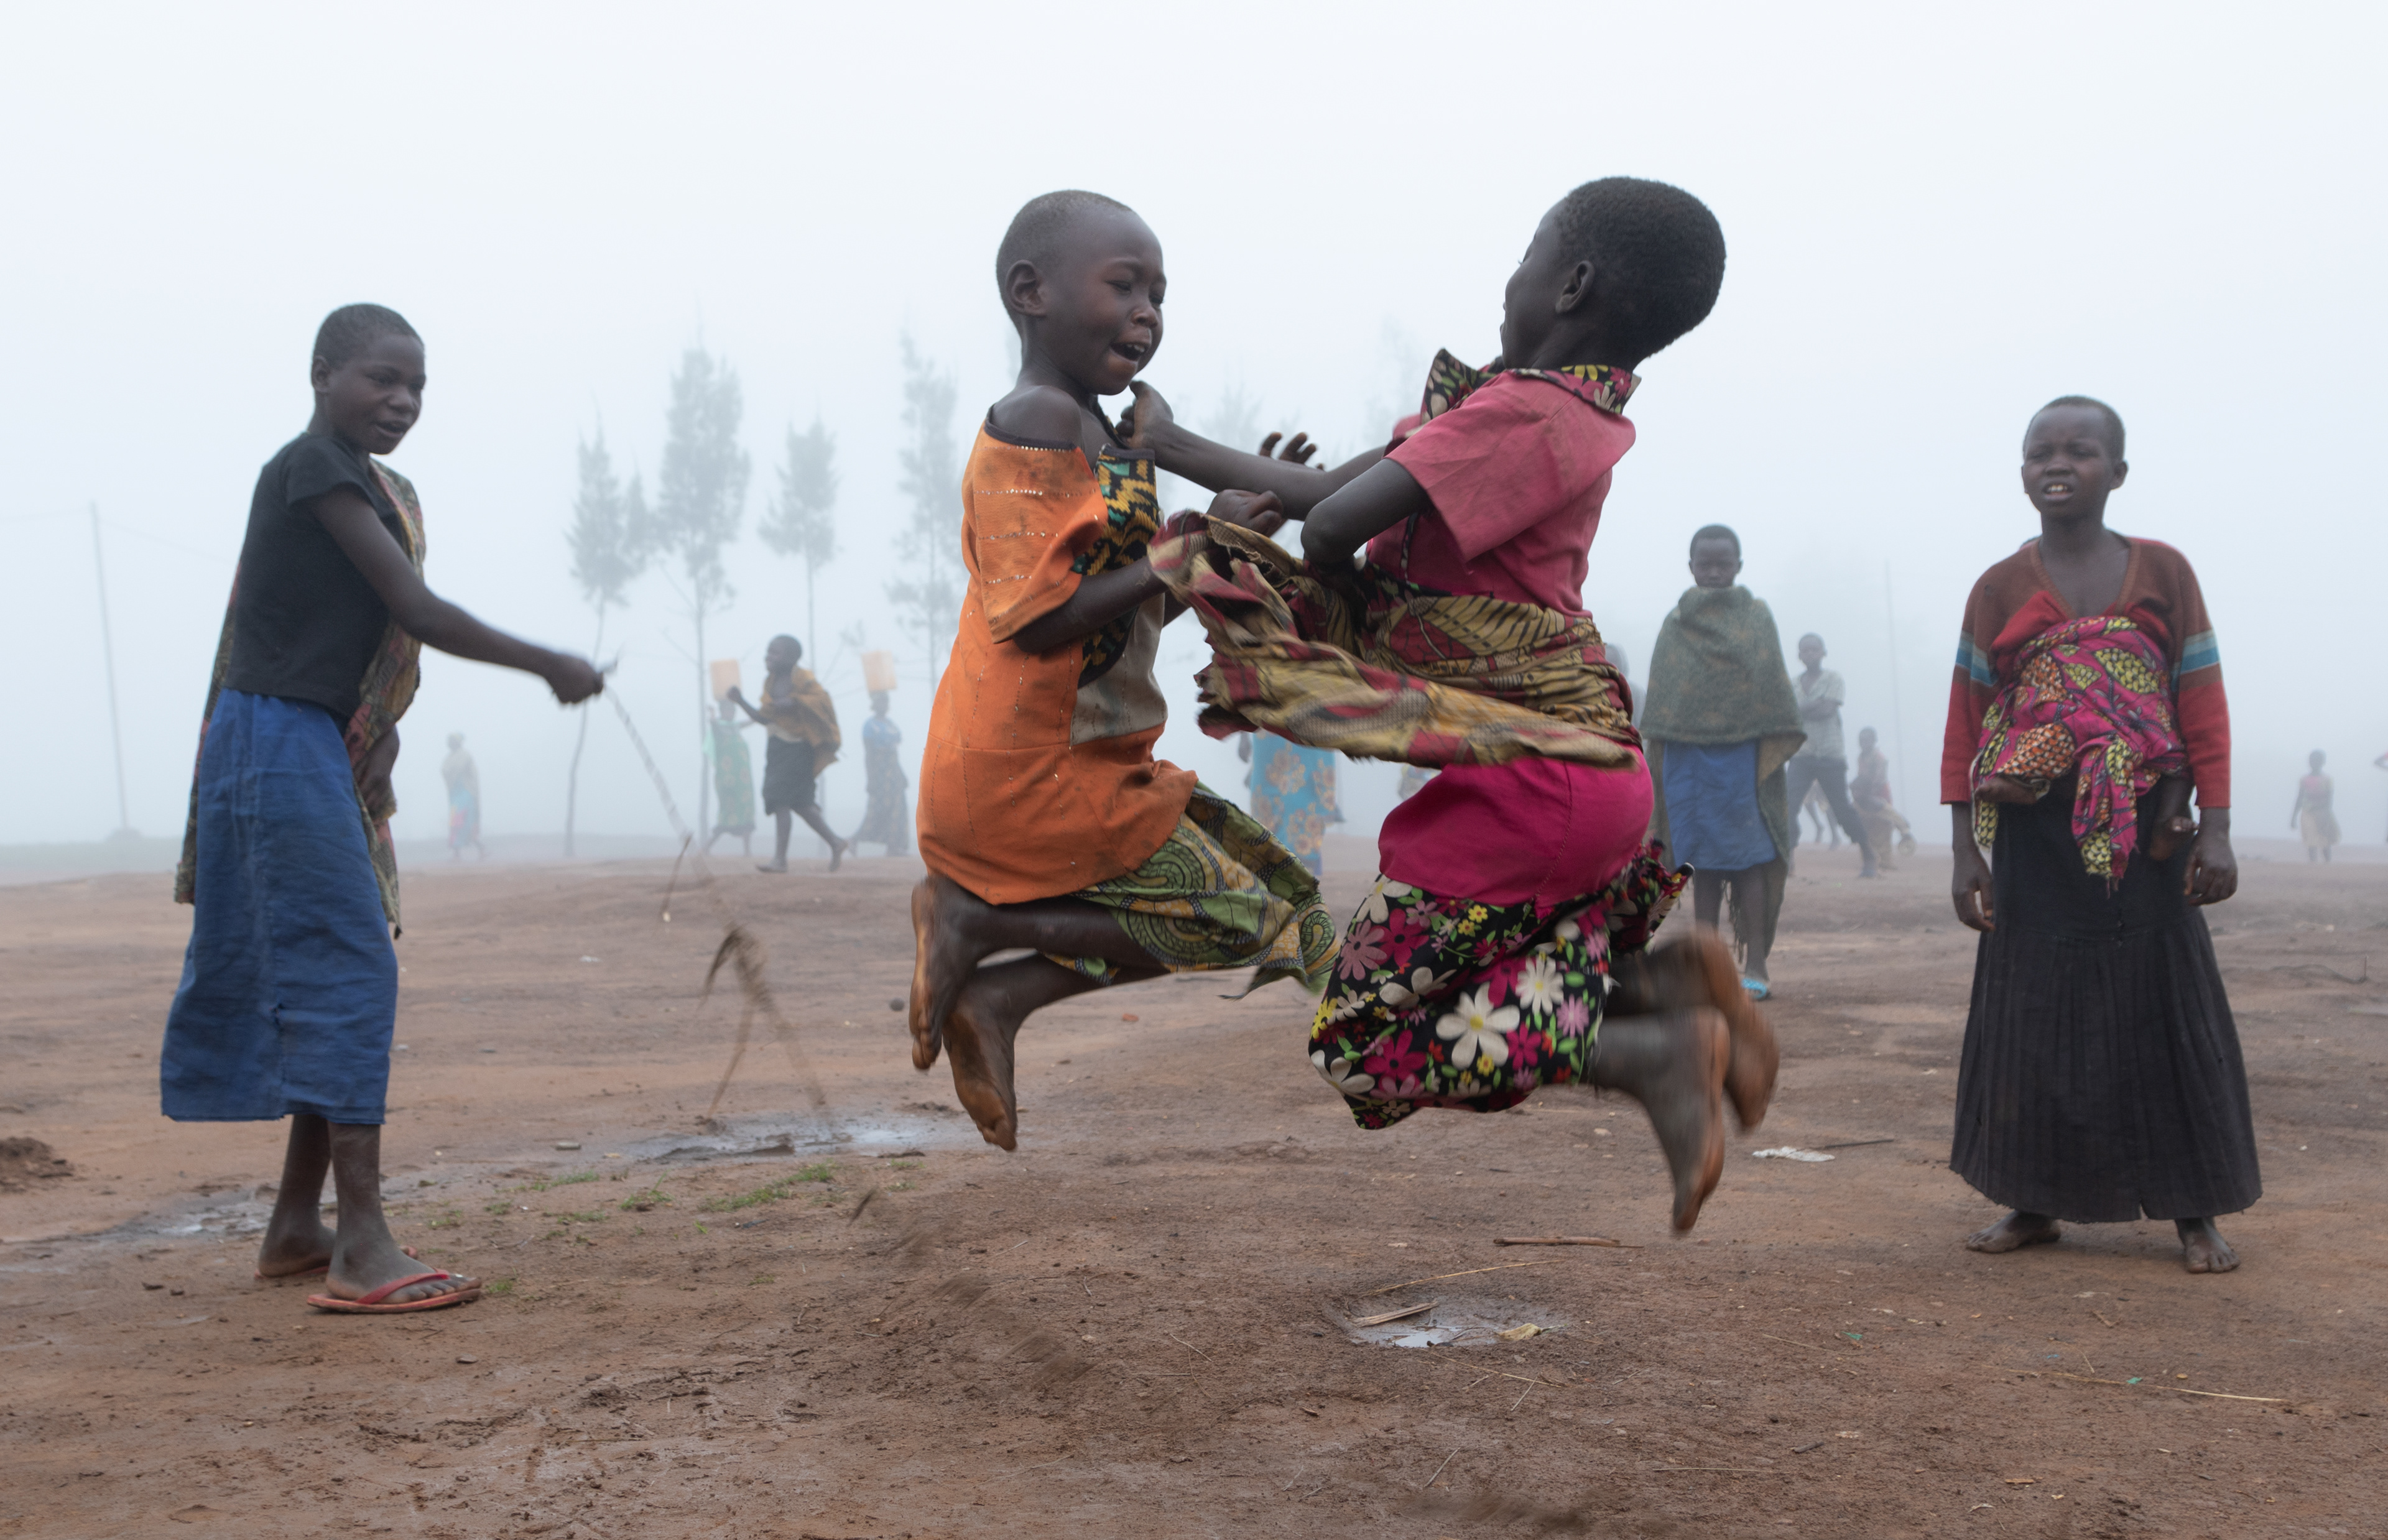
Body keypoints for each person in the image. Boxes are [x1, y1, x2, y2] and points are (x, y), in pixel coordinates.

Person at [1131, 177, 1775, 1232]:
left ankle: (1660, 1044)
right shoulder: (1551, 413)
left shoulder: (1524, 411)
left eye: (1526, 254)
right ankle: (1656, 1004)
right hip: (1566, 775)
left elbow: (1332, 524)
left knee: (1365, 1050)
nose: (1508, 279)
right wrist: (1172, 442)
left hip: (1532, 787)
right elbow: (1332, 487)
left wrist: (1265, 555)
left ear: (1569, 282)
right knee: (1428, 1010)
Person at [167, 303, 603, 1312]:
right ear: (323, 375)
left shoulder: (370, 483)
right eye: (380, 378)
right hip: (274, 738)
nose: (402, 400)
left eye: (416, 386)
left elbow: (362, 638)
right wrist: (551, 664)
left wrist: (379, 729)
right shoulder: (313, 467)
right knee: (350, 964)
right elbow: (415, 610)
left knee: (337, 962)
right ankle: (361, 1248)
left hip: (313, 738)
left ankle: (294, 1227)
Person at [906, 190, 1338, 1151]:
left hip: (1084, 756)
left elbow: (1124, 610)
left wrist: (1216, 538)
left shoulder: (1095, 433)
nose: (1148, 312)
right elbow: (1039, 622)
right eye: (1124, 285)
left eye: (1160, 294)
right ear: (1032, 291)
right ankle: (974, 926)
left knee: (1273, 902)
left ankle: (999, 992)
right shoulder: (1037, 420)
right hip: (1025, 763)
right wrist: (1192, 548)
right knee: (1248, 917)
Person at [1946, 395, 2256, 1274]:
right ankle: (2031, 1200)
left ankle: (2195, 1210)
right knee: (2032, 1005)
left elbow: (2201, 703)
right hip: (2035, 834)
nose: (2058, 463)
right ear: (2021, 473)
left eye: (2081, 451)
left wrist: (2217, 828)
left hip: (2149, 829)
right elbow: (1968, 720)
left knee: (2164, 1001)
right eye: (2041, 450)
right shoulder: (1998, 589)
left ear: (2117, 473)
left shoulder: (2164, 572)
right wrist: (1966, 848)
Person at [1641, 526, 1803, 998]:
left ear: (1738, 566)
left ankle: (1756, 964)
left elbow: (1771, 686)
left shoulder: (1757, 617)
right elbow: (1667, 698)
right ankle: (1705, 966)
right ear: (1691, 567)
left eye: (1723, 563)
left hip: (1742, 759)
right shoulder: (1676, 623)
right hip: (1687, 760)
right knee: (1700, 863)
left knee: (1751, 859)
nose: (1714, 571)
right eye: (1705, 563)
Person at [726, 635, 848, 873]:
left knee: (780, 797)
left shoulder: (803, 679)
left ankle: (780, 860)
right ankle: (836, 842)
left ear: (792, 658)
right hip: (778, 748)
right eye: (768, 652)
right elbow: (764, 717)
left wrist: (796, 702)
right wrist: (739, 701)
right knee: (801, 804)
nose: (768, 657)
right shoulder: (770, 683)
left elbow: (821, 700)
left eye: (775, 653)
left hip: (799, 748)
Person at [1784, 634, 1879, 877]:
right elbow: (1794, 713)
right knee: (1788, 806)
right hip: (1802, 753)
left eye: (1815, 650)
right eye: (1805, 650)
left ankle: (1868, 853)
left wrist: (1798, 709)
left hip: (1830, 754)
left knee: (1841, 808)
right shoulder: (1793, 684)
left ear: (1824, 652)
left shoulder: (1833, 678)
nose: (1810, 654)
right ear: (1799, 655)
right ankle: (1788, 858)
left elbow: (1827, 711)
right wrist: (1811, 705)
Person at [1239, 733, 1343, 877]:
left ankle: (1300, 872)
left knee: (1303, 797)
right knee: (1267, 804)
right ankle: (1276, 872)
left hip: (1304, 725)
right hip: (1267, 731)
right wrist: (1243, 735)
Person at [849, 690, 910, 857]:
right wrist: (870, 779)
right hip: (880, 774)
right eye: (881, 702)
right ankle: (854, 840)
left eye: (886, 702)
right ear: (874, 705)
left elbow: (894, 754)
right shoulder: (869, 726)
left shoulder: (891, 725)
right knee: (877, 810)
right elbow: (869, 755)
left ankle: (894, 846)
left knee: (898, 809)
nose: (884, 705)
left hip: (894, 774)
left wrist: (902, 775)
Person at [1849, 727, 1916, 871]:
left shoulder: (1880, 759)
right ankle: (1871, 858)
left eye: (1867, 740)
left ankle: (1886, 861)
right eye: (1861, 741)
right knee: (1867, 828)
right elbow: (1860, 778)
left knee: (1884, 828)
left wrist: (1904, 830)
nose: (1864, 743)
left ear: (1874, 741)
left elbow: (1880, 780)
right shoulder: (1860, 757)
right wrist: (1859, 792)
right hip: (1864, 796)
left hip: (1879, 796)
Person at [705, 696, 757, 857]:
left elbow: (752, 721)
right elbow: (714, 726)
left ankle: (747, 851)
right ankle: (706, 848)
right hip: (727, 780)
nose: (731, 713)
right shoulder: (720, 728)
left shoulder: (736, 727)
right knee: (728, 811)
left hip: (743, 781)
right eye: (727, 710)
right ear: (722, 712)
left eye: (733, 711)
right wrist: (712, 715)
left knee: (746, 811)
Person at [439, 732, 483, 861]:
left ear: (458, 742)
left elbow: (457, 769)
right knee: (455, 821)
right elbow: (445, 770)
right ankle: (458, 853)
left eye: (452, 741)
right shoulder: (450, 757)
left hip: (466, 792)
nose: (449, 743)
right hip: (455, 794)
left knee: (464, 820)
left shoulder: (465, 755)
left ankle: (479, 849)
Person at [2291, 750, 2338, 863]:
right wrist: (2293, 817)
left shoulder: (2327, 780)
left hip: (2323, 812)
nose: (2315, 764)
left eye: (2318, 761)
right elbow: (2300, 798)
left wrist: (2327, 815)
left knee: (2325, 840)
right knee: (2311, 840)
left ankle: (2327, 864)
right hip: (2308, 812)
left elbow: (2329, 799)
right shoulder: (2304, 780)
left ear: (2323, 762)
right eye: (2313, 761)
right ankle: (2313, 865)